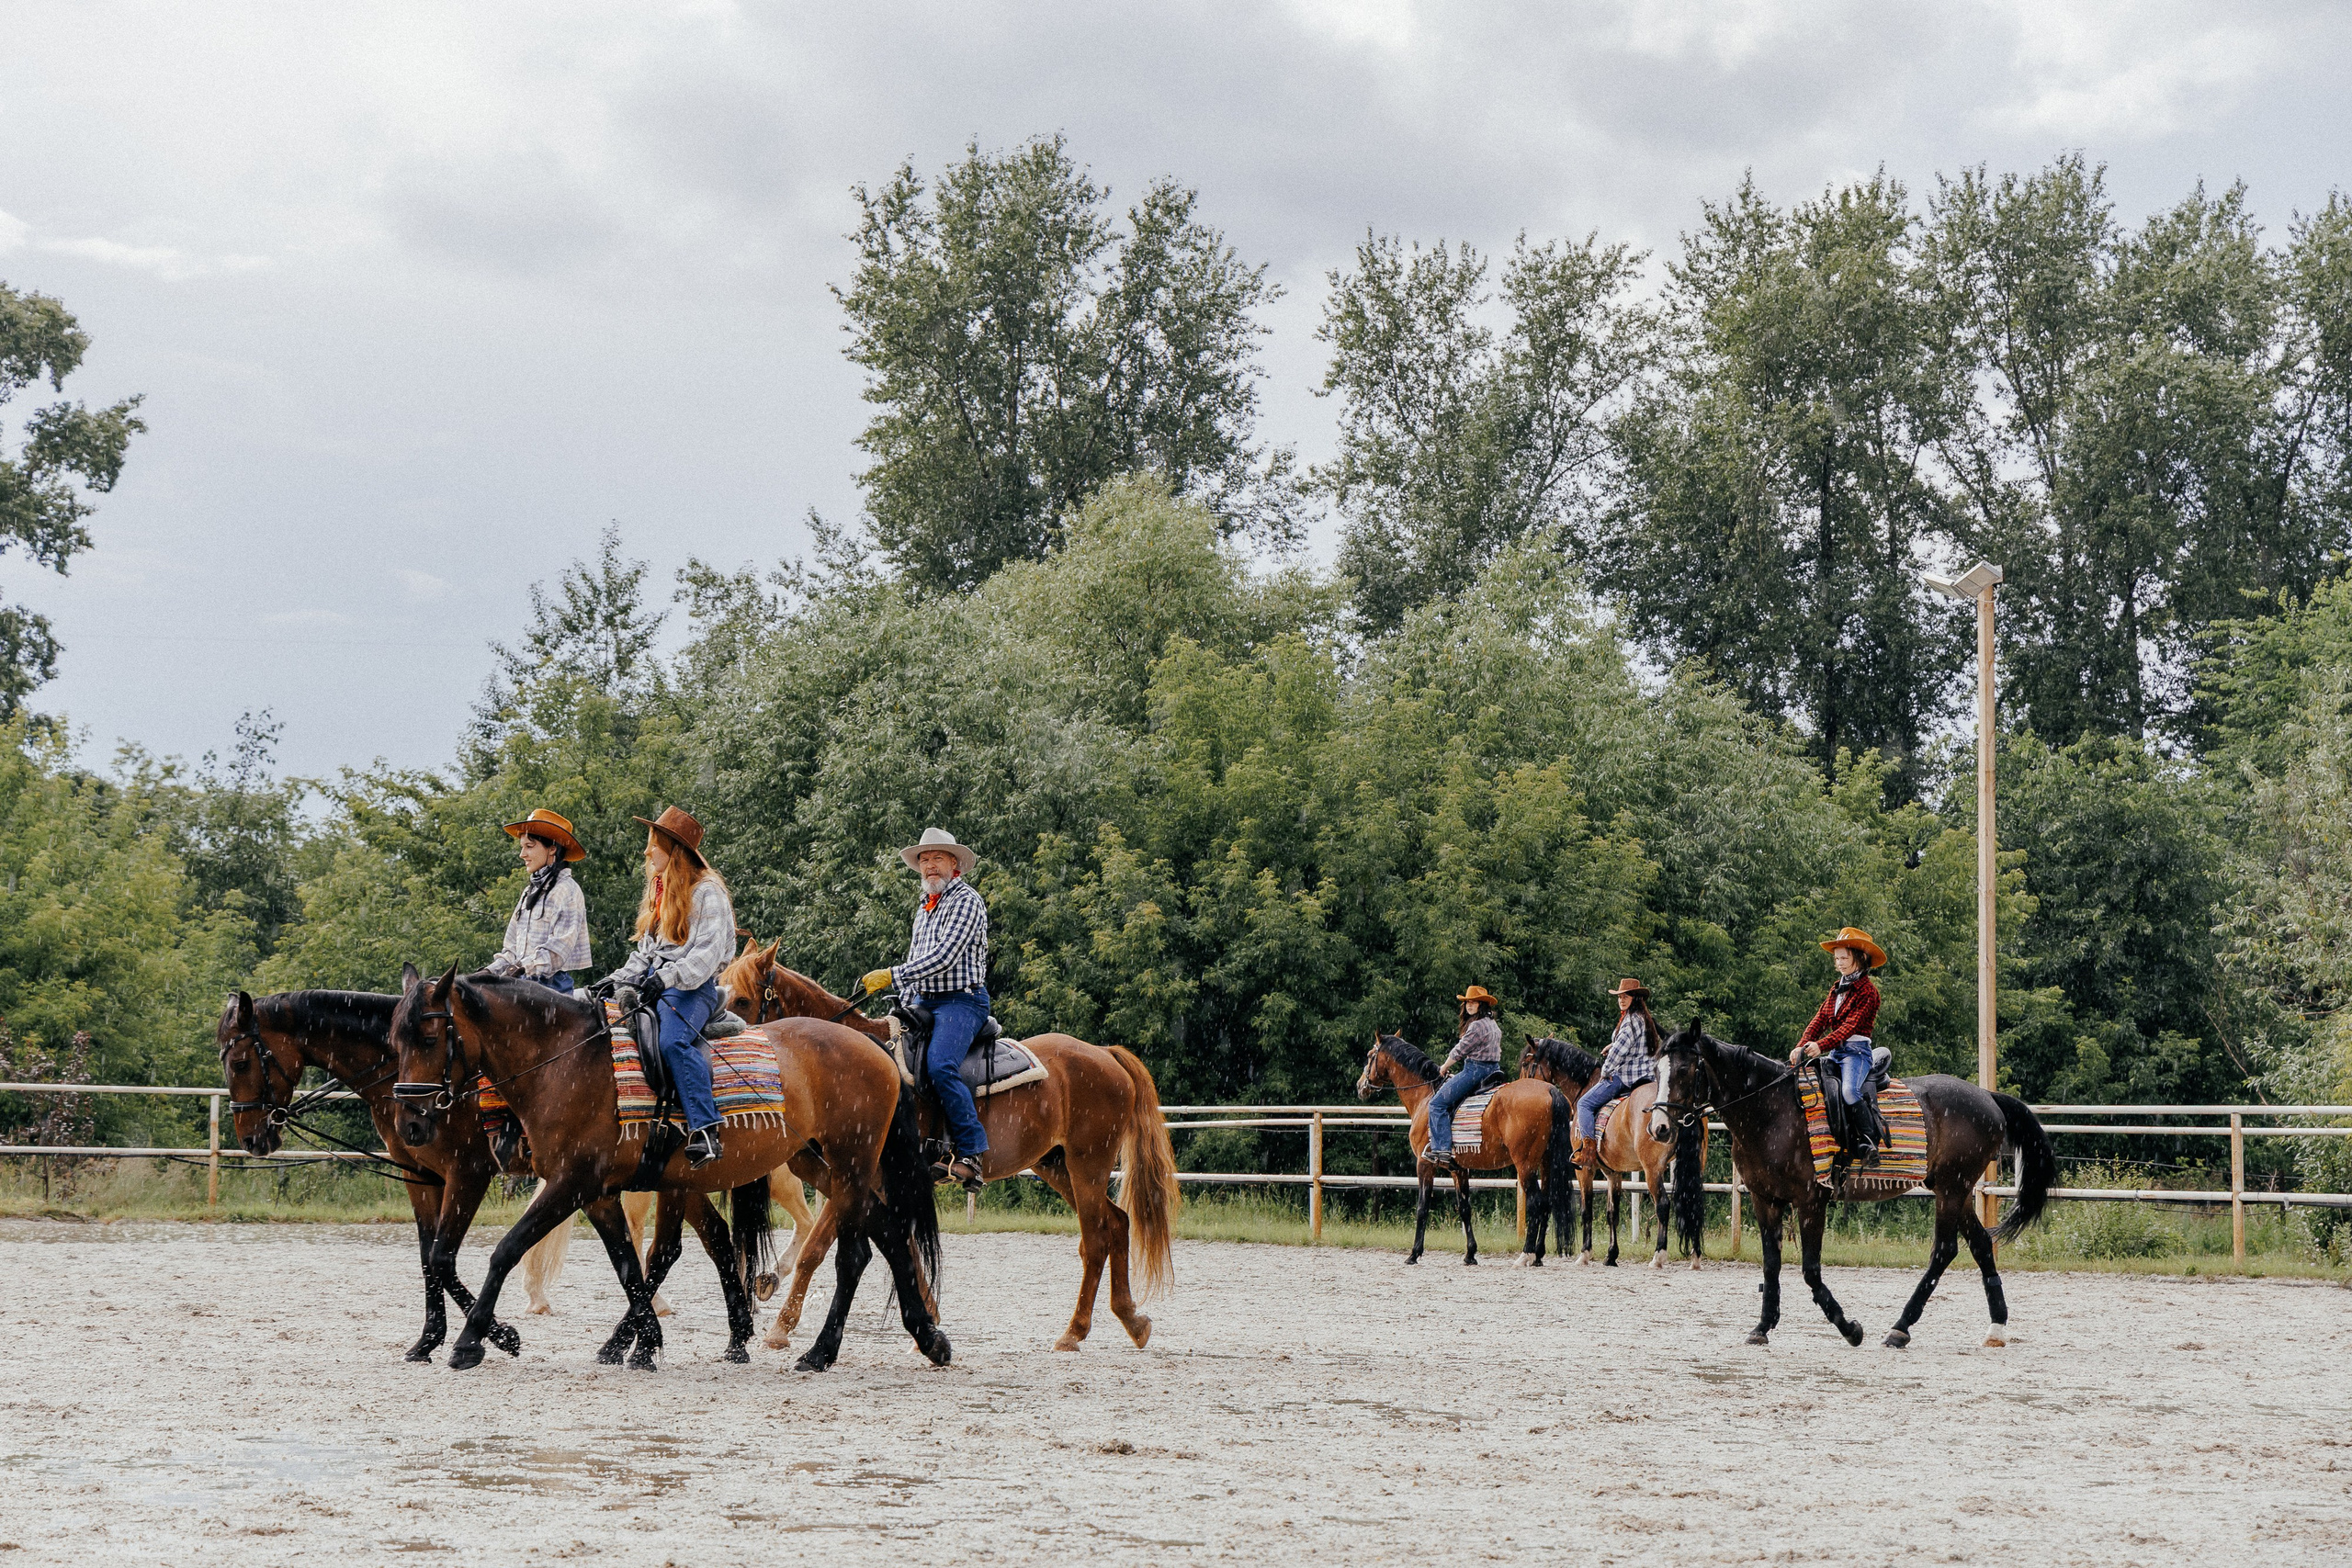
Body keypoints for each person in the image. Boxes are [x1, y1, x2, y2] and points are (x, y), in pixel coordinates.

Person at [595, 807, 737, 1168]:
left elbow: (706, 959)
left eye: (653, 845)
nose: (647, 853)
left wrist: (666, 979)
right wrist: (616, 980)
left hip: (693, 990)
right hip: (658, 985)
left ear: (674, 850)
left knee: (671, 1040)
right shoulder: (662, 892)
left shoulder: (709, 893)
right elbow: (646, 952)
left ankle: (705, 1130)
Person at [863, 828, 989, 1189]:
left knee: (940, 1065)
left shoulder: (967, 900)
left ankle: (971, 1152)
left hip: (962, 1000)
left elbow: (944, 958)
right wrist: (901, 1002)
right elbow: (918, 960)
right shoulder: (925, 907)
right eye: (924, 861)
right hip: (923, 1001)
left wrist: (892, 974)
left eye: (937, 859)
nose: (930, 867)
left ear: (954, 864)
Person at [1788, 927, 1885, 1161]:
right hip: (1836, 1051)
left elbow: (1849, 1027)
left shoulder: (1869, 992)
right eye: (1837, 958)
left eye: (1844, 958)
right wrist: (1801, 1045)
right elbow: (1820, 1019)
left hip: (1856, 1052)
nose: (1839, 963)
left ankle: (1869, 1140)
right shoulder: (1836, 988)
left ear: (1859, 958)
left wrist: (1821, 1046)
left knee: (1850, 1091)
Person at [483, 808, 592, 992]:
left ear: (552, 849)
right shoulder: (529, 891)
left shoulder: (568, 890)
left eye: (529, 846)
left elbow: (557, 952)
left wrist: (520, 968)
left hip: (551, 989)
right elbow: (511, 950)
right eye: (522, 847)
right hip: (520, 985)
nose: (522, 854)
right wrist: (488, 972)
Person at [1575, 978, 1659, 1168]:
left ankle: (1588, 1152)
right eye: (1619, 996)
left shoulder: (1629, 1021)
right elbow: (1635, 1044)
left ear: (1635, 998)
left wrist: (1605, 1072)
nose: (1621, 1000)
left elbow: (1619, 1053)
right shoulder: (1644, 1018)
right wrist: (1613, 1044)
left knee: (1584, 1104)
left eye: (1626, 996)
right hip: (1646, 1075)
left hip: (1627, 1076)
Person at [1424, 986, 1505, 1168]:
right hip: (1494, 1070)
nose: (1469, 1005)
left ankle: (1442, 1149)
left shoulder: (1476, 1026)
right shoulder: (1493, 1025)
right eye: (1467, 1002)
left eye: (1474, 1002)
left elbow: (1460, 1051)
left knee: (1437, 1104)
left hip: (1475, 1071)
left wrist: (1444, 1067)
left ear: (1482, 1005)